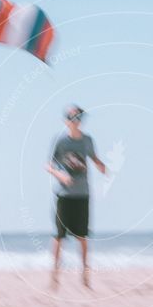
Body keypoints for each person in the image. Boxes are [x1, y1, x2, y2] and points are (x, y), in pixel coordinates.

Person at [45, 105, 106, 288]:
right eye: (71, 117)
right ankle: (54, 276)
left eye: (78, 117)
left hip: (82, 194)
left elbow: (94, 158)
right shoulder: (61, 141)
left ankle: (85, 278)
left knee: (83, 237)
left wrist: (102, 166)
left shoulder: (87, 140)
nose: (75, 121)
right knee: (59, 237)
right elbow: (49, 165)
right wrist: (61, 175)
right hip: (64, 195)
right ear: (66, 121)